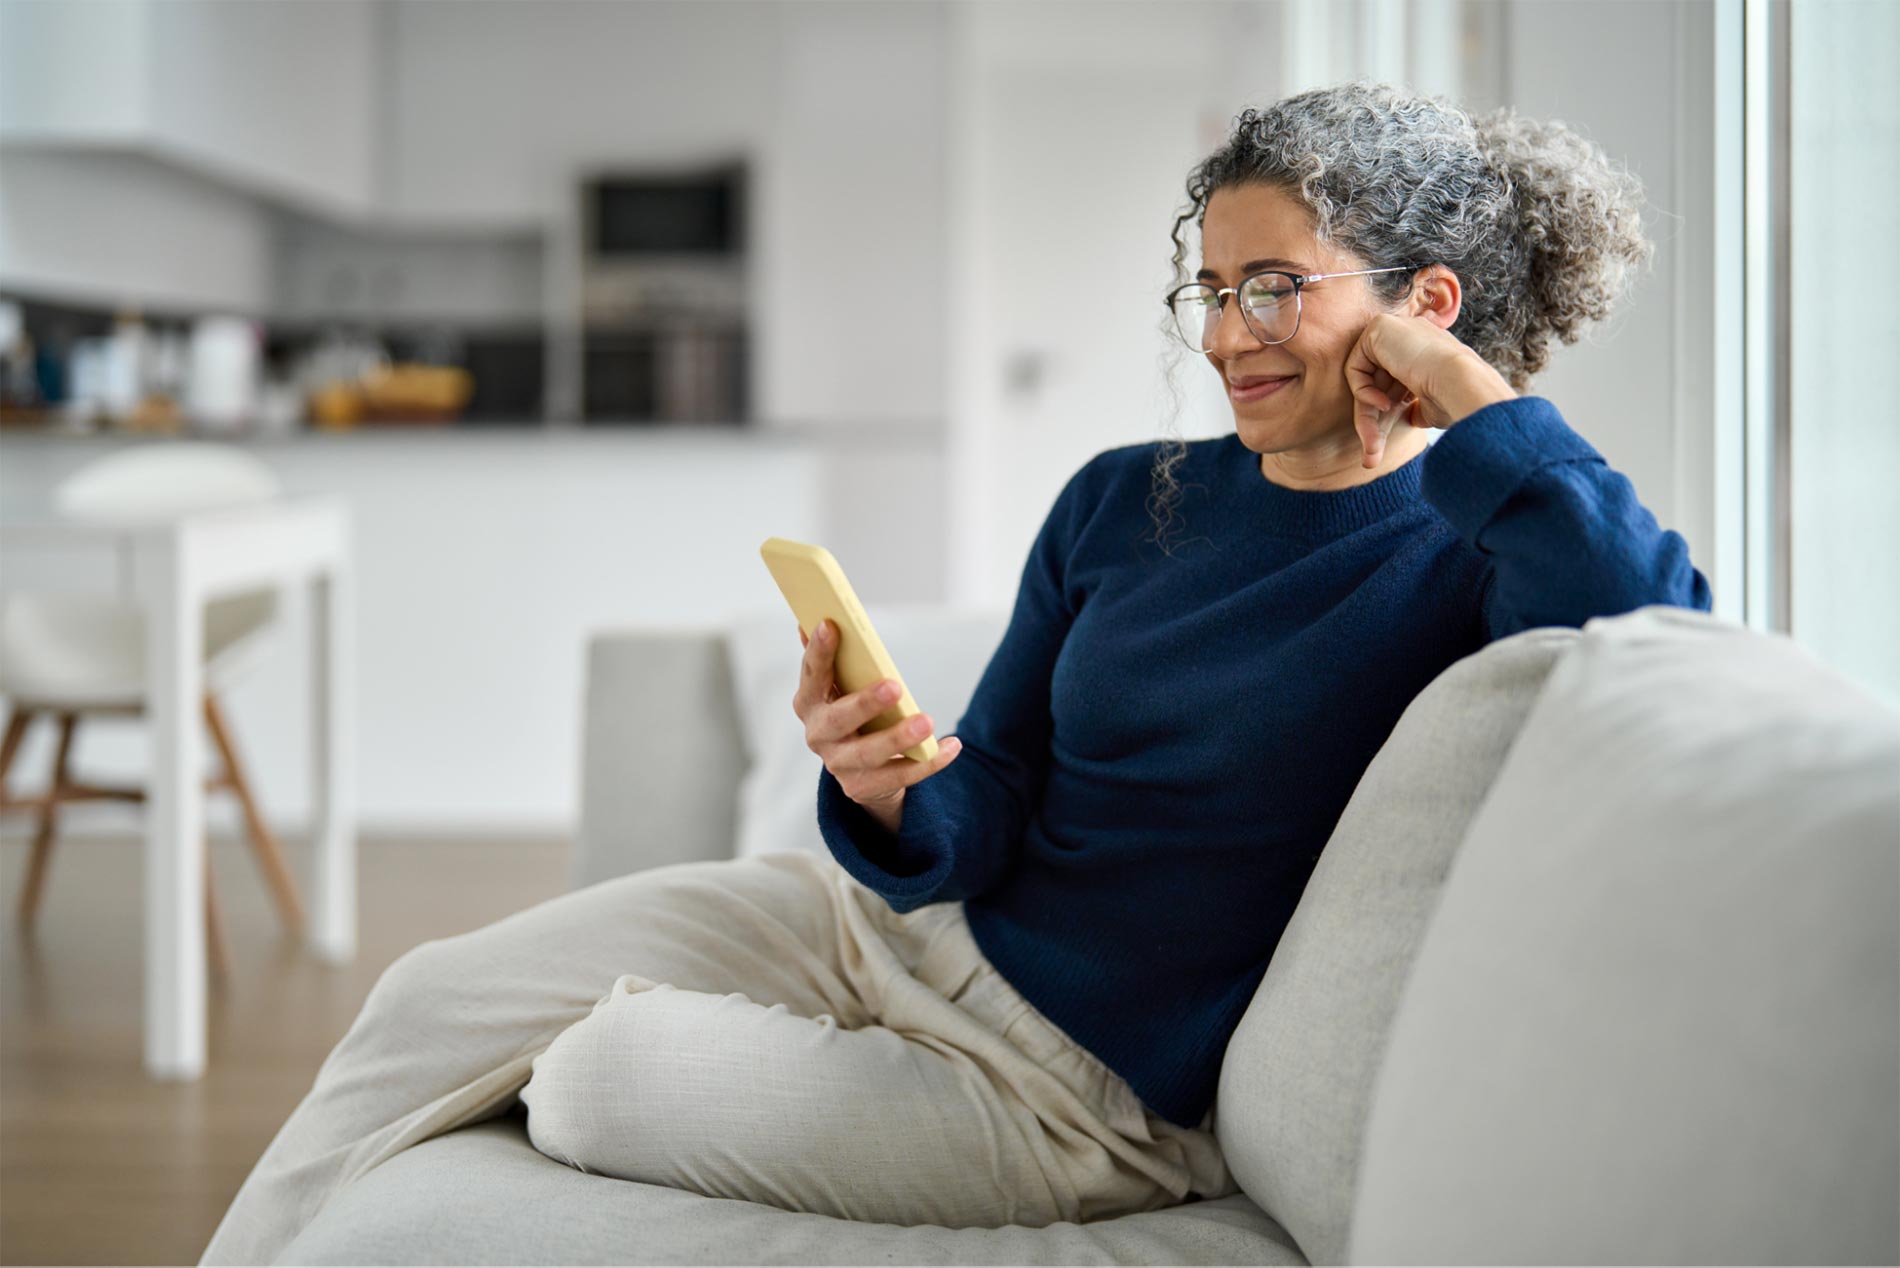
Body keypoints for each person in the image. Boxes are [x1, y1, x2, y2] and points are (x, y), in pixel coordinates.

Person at [199, 81, 1711, 1265]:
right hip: (878, 936)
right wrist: (886, 784)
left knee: (601, 1085)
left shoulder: (1475, 547)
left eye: (1276, 289)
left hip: (1071, 1094)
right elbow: (978, 807)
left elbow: (1662, 629)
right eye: (1210, 291)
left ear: (1421, 304)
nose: (1228, 340)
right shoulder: (1128, 496)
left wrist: (1468, 402)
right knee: (431, 992)